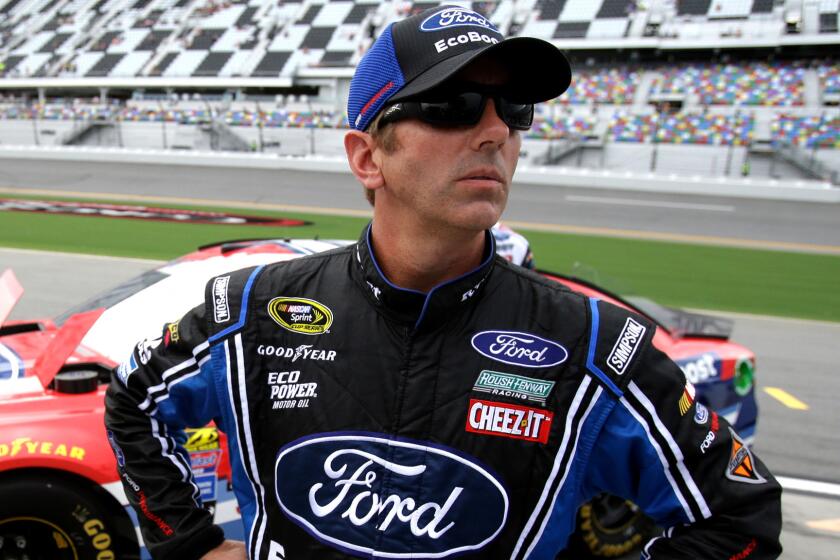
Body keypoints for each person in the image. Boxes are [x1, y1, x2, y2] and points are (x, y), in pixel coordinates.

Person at [105, 5, 782, 560]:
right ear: (368, 157)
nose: (494, 131)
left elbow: (741, 518)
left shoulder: (594, 345)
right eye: (453, 104)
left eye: (513, 108)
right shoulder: (251, 309)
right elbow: (132, 402)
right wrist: (192, 544)